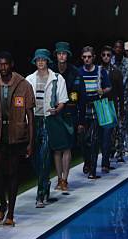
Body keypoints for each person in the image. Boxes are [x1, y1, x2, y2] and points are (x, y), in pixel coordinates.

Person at [0, 51, 35, 224]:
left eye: (5, 64)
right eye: (0, 64)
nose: (3, 67)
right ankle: (3, 204)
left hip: (16, 136)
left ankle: (11, 213)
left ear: (11, 64)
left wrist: (30, 142)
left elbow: (30, 116)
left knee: (13, 173)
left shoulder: (23, 85)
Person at [26, 49, 68, 208]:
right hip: (33, 121)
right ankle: (45, 181)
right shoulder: (29, 79)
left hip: (49, 120)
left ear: (47, 61)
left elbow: (63, 99)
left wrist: (57, 109)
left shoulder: (57, 78)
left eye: (43, 59)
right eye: (38, 60)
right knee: (34, 157)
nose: (41, 62)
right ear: (35, 62)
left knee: (44, 155)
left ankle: (41, 194)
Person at [53, 41, 86, 193]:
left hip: (71, 114)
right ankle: (59, 178)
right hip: (54, 114)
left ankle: (65, 179)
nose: (61, 56)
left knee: (67, 147)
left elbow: (81, 98)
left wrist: (81, 121)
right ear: (56, 55)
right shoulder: (51, 71)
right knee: (56, 148)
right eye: (59, 53)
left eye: (64, 53)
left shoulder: (75, 72)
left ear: (68, 55)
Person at [79, 46, 112, 179]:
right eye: (84, 57)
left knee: (95, 138)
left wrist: (103, 91)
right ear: (82, 58)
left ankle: (92, 169)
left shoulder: (100, 71)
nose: (87, 59)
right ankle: (87, 161)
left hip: (98, 107)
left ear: (93, 57)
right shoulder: (79, 72)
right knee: (83, 138)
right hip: (83, 108)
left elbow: (109, 86)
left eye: (89, 57)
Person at [112, 41, 128, 159]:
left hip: (125, 100)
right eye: (116, 47)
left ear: (123, 49)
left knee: (123, 125)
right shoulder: (110, 61)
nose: (118, 49)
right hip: (110, 100)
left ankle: (121, 150)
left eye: (120, 48)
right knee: (112, 126)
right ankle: (113, 148)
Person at [99, 45, 121, 173]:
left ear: (111, 56)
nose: (106, 57)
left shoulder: (116, 71)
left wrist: (121, 108)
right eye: (104, 55)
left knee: (108, 135)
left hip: (110, 105)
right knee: (99, 136)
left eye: (108, 55)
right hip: (99, 104)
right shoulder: (97, 70)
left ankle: (105, 162)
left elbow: (120, 91)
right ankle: (92, 163)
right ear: (100, 56)